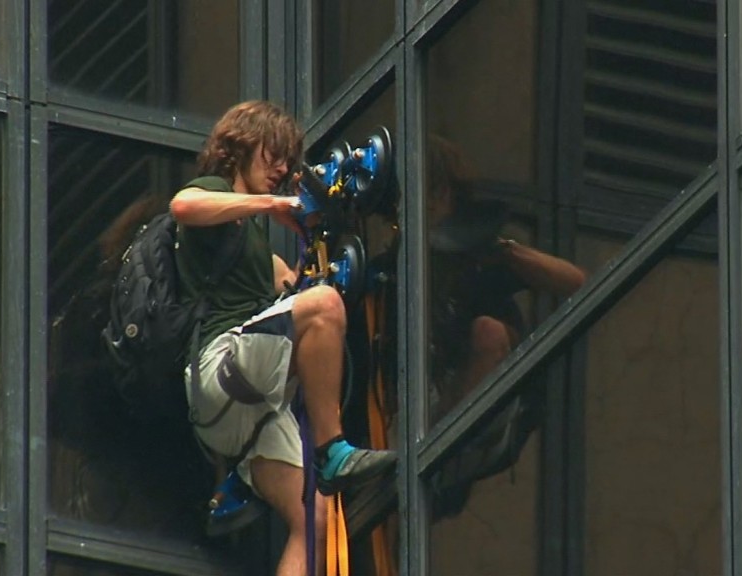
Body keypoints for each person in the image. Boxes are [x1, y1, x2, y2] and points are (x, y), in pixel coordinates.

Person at [169, 100, 397, 575]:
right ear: (238, 148)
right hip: (220, 369)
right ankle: (332, 451)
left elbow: (295, 290)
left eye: (286, 162)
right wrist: (273, 205)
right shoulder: (214, 192)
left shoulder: (250, 244)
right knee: (324, 309)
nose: (279, 169)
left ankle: (258, 477)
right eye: (270, 154)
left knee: (313, 520)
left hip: (246, 416)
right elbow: (182, 206)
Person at [424, 135, 587, 515]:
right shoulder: (400, 267)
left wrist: (501, 248)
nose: (428, 202)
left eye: (436, 190)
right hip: (426, 402)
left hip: (481, 418)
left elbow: (577, 282)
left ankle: (436, 458)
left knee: (489, 331)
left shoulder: (479, 256)